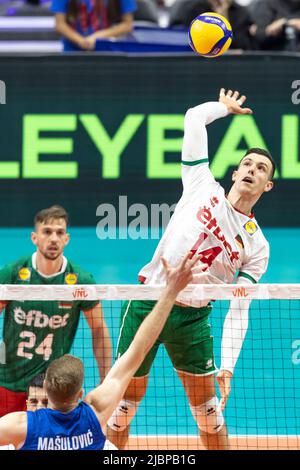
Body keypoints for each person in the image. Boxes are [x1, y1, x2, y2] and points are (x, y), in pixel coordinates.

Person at [107, 88, 275, 450]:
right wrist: (224, 108)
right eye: (247, 164)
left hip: (193, 321)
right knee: (120, 410)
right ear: (235, 172)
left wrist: (227, 364)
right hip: (147, 302)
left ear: (268, 185)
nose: (252, 170)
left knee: (211, 420)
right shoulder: (201, 184)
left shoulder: (258, 246)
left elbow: (239, 306)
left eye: (261, 169)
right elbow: (193, 117)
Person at [0, 253, 203, 450]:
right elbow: (138, 349)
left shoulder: (21, 426)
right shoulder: (95, 414)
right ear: (80, 394)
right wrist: (171, 292)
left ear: (46, 386)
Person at [0, 205, 112, 418]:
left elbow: (98, 329)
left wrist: (105, 380)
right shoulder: (14, 273)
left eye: (59, 233)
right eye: (47, 232)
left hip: (52, 388)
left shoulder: (80, 280)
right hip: (7, 381)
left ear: (67, 239)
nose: (53, 239)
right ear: (34, 237)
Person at [51, 0, 137, 51]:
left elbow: (127, 25)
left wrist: (97, 37)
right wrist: (81, 41)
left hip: (107, 50)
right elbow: (60, 24)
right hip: (72, 50)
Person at [170, 0, 256, 50]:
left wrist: (223, 17)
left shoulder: (241, 12)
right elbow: (181, 37)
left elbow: (242, 44)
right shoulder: (193, 8)